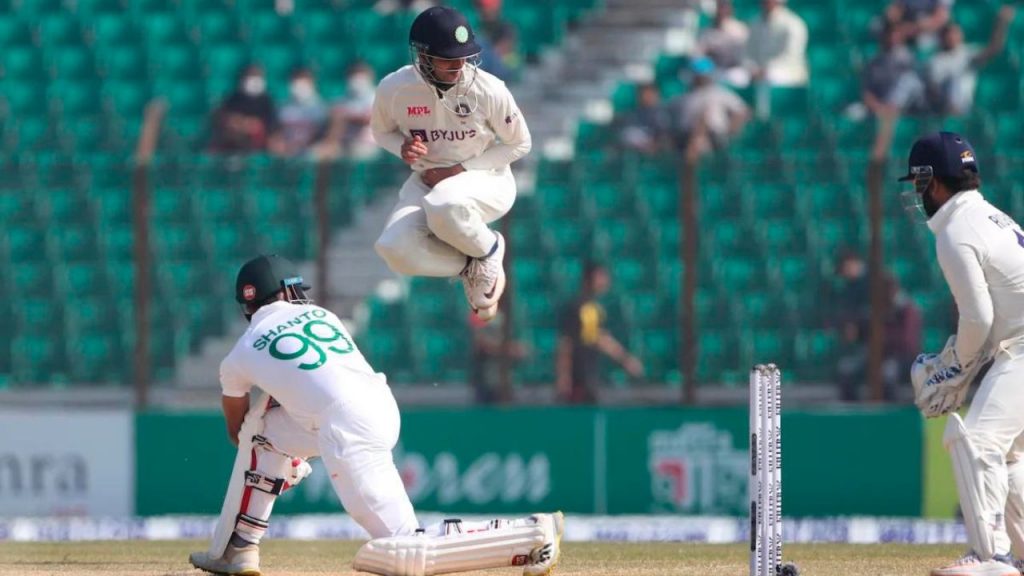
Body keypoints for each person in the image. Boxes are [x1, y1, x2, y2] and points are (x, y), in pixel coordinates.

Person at [188, 254, 563, 576]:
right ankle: (240, 546)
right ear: (289, 291)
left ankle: (530, 534)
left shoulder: (239, 355)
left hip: (343, 426)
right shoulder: (323, 315)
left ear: (248, 307)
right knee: (265, 432)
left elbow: (237, 431)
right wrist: (287, 456)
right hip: (378, 404)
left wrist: (284, 466)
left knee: (403, 548)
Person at [900, 132, 1024, 576]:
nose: (918, 195)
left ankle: (990, 558)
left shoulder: (955, 230)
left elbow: (978, 318)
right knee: (1009, 453)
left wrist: (952, 371)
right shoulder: (992, 216)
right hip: (1017, 344)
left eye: (918, 184)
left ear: (934, 182)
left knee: (977, 441)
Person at [371, 6, 531, 322]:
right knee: (394, 249)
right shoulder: (395, 88)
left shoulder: (489, 88)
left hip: (486, 178)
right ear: (423, 56)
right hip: (427, 178)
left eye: (464, 57)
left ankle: (488, 248)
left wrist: (458, 170)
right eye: (448, 59)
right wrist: (403, 148)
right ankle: (471, 265)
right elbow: (380, 132)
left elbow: (520, 143)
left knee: (443, 201)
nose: (459, 66)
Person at [556, 262, 644, 404]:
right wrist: (563, 378)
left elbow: (600, 338)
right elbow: (566, 344)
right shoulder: (580, 307)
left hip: (590, 375)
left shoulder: (594, 307)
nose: (605, 281)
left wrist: (624, 359)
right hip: (578, 377)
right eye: (600, 277)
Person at [927, 5, 1017, 116]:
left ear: (961, 35)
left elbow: (994, 49)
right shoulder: (936, 60)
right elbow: (933, 90)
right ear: (943, 37)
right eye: (949, 34)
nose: (952, 37)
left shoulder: (968, 53)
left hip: (966, 109)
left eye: (956, 33)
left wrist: (1001, 23)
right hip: (943, 109)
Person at [671, 57, 750, 161]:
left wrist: (731, 129)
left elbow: (742, 111)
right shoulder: (685, 96)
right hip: (685, 137)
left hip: (714, 136)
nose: (701, 77)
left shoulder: (719, 93)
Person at [209, 64, 280, 154]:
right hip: (236, 140)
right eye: (251, 76)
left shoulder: (267, 101)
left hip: (261, 142)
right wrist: (242, 123)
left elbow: (271, 125)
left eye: (257, 77)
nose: (254, 81)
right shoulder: (234, 99)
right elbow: (226, 118)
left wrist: (254, 125)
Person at [861, 24, 928, 118]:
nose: (892, 40)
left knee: (909, 79)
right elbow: (867, 93)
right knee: (853, 114)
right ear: (883, 38)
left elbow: (917, 86)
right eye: (889, 37)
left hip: (907, 106)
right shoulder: (874, 63)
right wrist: (879, 107)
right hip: (879, 106)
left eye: (896, 37)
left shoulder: (909, 58)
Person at [468, 302, 528, 403]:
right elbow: (480, 343)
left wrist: (511, 349)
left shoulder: (515, 312)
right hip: (485, 380)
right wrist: (507, 350)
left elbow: (524, 349)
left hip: (509, 381)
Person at [744, 0, 808, 87]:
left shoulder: (794, 24)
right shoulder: (755, 22)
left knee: (770, 77)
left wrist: (766, 70)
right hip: (758, 72)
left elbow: (790, 57)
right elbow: (748, 53)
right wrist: (752, 68)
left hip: (788, 73)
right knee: (736, 76)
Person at [275, 66, 329, 157]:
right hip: (288, 148)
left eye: (304, 82)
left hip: (311, 149)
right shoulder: (283, 108)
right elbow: (277, 132)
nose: (299, 86)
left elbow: (324, 134)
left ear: (312, 83)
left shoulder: (320, 107)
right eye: (296, 82)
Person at [697, 0, 750, 87]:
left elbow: (745, 53)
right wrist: (707, 65)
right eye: (719, 8)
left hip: (734, 70)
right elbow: (697, 55)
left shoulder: (739, 30)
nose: (721, 11)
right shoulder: (707, 32)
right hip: (715, 70)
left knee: (741, 79)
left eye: (724, 8)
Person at [618, 83, 674, 155]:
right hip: (639, 152)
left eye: (650, 94)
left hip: (660, 152)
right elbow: (627, 135)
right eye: (644, 94)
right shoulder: (633, 114)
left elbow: (666, 136)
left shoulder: (664, 113)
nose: (647, 97)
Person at [883, 0, 953, 47]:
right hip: (906, 35)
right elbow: (892, 15)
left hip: (933, 36)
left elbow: (941, 18)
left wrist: (916, 27)